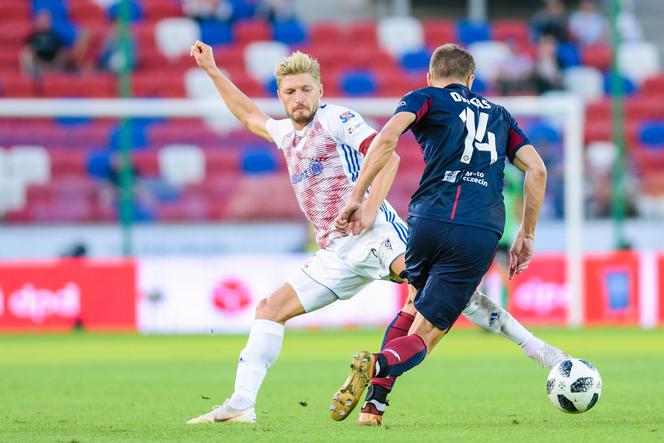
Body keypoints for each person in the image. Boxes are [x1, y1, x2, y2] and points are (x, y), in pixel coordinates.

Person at [185, 40, 565, 426]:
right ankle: (241, 404)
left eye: (305, 90)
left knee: (447, 296)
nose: (298, 98)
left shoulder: (337, 120)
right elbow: (250, 116)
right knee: (269, 310)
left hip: (378, 236)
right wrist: (213, 71)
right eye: (290, 92)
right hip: (336, 252)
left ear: (321, 91)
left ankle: (539, 351)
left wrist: (367, 208)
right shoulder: (287, 135)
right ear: (280, 96)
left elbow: (389, 155)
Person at [331, 43, 555, 422]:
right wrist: (527, 235)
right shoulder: (500, 115)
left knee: (412, 302)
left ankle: (374, 407)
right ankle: (378, 364)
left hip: (427, 220)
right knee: (428, 334)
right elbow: (538, 170)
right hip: (479, 227)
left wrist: (356, 196)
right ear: (471, 80)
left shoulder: (424, 97)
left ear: (430, 76)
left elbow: (385, 140)